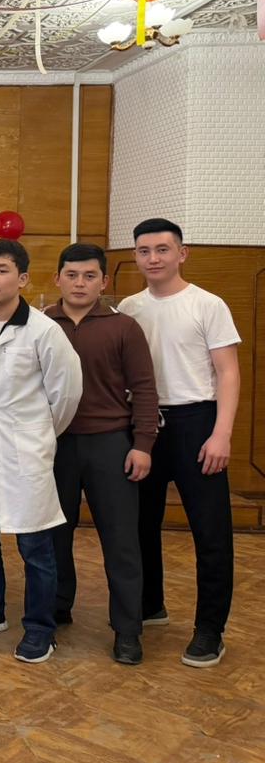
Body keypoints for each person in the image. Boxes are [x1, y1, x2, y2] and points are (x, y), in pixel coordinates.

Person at [0, 239, 82, 664]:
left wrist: (36, 433)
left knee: (35, 547)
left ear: (22, 278)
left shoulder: (44, 331)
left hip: (23, 453)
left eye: (2, 270)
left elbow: (65, 395)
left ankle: (41, 628)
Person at [118, 218, 239, 668]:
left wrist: (221, 433)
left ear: (182, 253)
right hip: (145, 424)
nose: (153, 258)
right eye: (144, 251)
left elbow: (228, 372)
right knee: (140, 524)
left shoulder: (207, 304)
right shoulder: (129, 307)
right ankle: (150, 605)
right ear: (135, 256)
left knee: (210, 533)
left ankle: (210, 630)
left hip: (197, 422)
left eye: (162, 249)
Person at [46, 243, 159, 665]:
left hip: (111, 444)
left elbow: (145, 389)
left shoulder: (124, 327)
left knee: (121, 540)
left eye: (89, 276)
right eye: (72, 275)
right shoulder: (41, 324)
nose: (80, 283)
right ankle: (58, 606)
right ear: (57, 278)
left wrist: (143, 445)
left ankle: (127, 630)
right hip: (55, 444)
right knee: (54, 533)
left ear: (104, 281)